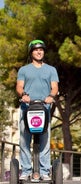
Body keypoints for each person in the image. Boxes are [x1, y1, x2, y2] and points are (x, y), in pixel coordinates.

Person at [16, 39, 59, 181]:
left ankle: (44, 170)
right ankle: (26, 170)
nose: (39, 52)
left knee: (45, 140)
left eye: (41, 49)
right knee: (24, 140)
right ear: (31, 52)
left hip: (44, 108)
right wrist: (23, 95)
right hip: (26, 108)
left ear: (44, 52)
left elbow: (54, 87)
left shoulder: (51, 70)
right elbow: (19, 87)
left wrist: (51, 96)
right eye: (36, 50)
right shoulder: (24, 70)